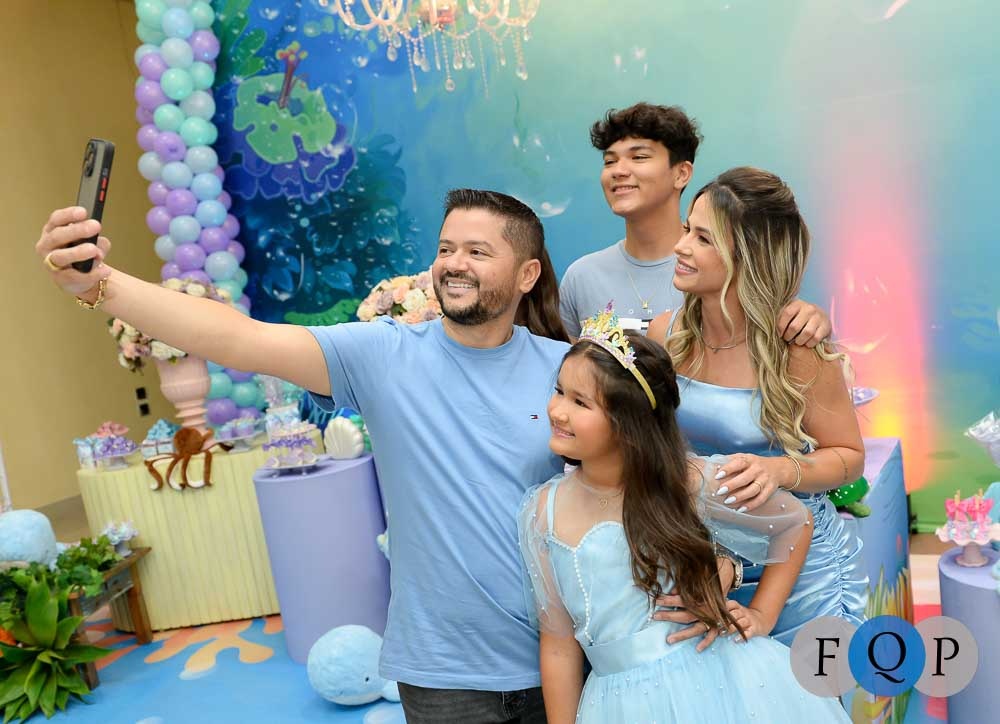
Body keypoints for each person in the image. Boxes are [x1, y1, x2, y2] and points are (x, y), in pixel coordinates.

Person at [518, 307, 850, 723]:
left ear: (627, 423)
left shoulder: (686, 482)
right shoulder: (543, 511)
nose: (558, 410)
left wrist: (762, 613)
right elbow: (557, 644)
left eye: (580, 402)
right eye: (559, 391)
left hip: (714, 685)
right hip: (616, 703)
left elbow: (796, 523)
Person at [647, 167, 868, 646]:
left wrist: (781, 470)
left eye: (703, 238)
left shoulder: (798, 350)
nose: (681, 246)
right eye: (687, 229)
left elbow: (850, 458)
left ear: (747, 257)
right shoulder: (666, 334)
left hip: (798, 577)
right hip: (703, 564)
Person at [560, 102, 829, 346]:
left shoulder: (718, 270)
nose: (618, 171)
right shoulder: (581, 277)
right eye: (610, 161)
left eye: (639, 157)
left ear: (682, 173)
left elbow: (775, 323)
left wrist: (811, 321)